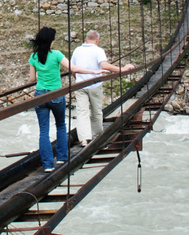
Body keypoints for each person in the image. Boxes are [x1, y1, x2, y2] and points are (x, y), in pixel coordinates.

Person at [29, 27, 102, 172]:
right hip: (56, 95)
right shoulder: (56, 55)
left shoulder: (34, 57)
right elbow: (73, 68)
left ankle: (48, 165)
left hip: (40, 95)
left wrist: (42, 77)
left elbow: (32, 79)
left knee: (43, 131)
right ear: (51, 41)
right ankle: (62, 158)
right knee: (61, 125)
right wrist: (92, 71)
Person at [70, 30, 135, 147]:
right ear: (97, 40)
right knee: (96, 111)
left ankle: (84, 139)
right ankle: (97, 136)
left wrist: (77, 78)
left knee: (82, 112)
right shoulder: (98, 50)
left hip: (80, 85)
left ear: (86, 39)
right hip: (95, 85)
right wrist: (122, 69)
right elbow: (104, 65)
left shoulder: (77, 50)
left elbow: (72, 68)